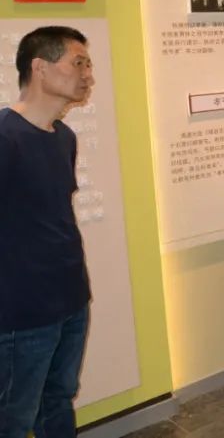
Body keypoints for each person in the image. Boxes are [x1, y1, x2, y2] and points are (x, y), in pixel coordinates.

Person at [0, 26, 94, 437]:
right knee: (13, 418)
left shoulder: (65, 137)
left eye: (88, 64)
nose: (88, 74)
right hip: (21, 312)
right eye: (79, 63)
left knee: (58, 399)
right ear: (40, 67)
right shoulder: (5, 136)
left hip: (71, 298)